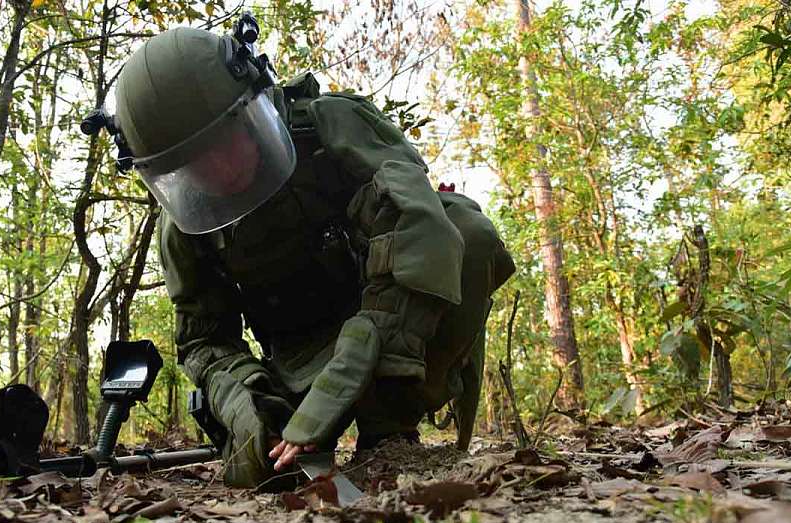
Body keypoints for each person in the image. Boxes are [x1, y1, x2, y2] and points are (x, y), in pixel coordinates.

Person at [109, 17, 515, 488]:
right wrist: (248, 405)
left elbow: (420, 232)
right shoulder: (183, 227)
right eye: (194, 162)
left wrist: (341, 385)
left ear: (254, 104)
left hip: (382, 324)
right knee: (264, 467)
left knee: (467, 229)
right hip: (295, 371)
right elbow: (203, 340)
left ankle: (388, 435)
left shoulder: (331, 129)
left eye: (224, 141)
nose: (218, 168)